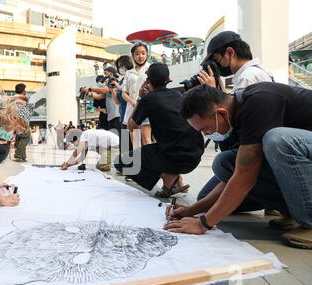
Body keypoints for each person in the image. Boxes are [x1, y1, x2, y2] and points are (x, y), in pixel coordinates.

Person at [166, 83, 312, 249]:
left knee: (278, 140)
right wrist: (191, 210)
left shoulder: (260, 101)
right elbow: (235, 174)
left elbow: (245, 174)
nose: (205, 135)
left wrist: (203, 224)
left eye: (205, 129)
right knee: (224, 163)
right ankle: (293, 211)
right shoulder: (235, 117)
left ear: (221, 114)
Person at [196, 31, 277, 215]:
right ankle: (274, 199)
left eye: (217, 60)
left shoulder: (247, 77)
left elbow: (236, 124)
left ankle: (278, 200)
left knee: (213, 184)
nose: (216, 66)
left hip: (258, 157)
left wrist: (211, 93)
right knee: (209, 196)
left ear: (230, 53)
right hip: (265, 154)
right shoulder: (259, 71)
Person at [116, 63, 204, 197]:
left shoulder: (148, 100)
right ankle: (176, 178)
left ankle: (167, 177)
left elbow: (131, 126)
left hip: (175, 157)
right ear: (169, 79)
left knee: (122, 162)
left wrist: (140, 98)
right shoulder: (180, 95)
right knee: (164, 146)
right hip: (195, 156)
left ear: (147, 81)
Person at [122, 42, 152, 147]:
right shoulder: (128, 73)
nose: (141, 56)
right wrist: (132, 101)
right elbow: (124, 92)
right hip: (131, 109)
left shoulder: (151, 68)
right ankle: (138, 163)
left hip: (146, 108)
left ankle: (150, 163)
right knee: (135, 143)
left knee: (147, 140)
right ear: (133, 55)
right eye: (137, 54)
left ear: (147, 54)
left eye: (143, 53)